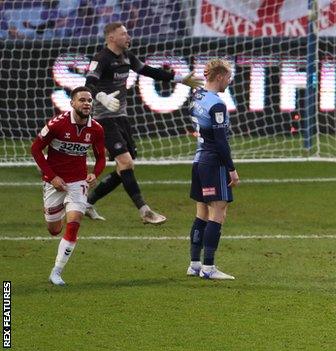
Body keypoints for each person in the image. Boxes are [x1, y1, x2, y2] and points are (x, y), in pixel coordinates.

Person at [83, 21, 202, 224]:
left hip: (121, 118)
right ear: (111, 37)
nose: (128, 37)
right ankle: (145, 211)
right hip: (103, 119)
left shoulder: (127, 56)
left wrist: (180, 78)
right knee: (126, 162)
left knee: (125, 169)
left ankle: (87, 203)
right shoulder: (101, 59)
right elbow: (89, 84)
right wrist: (101, 97)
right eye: (123, 34)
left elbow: (148, 71)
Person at [30, 86, 106, 286]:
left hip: (78, 182)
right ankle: (63, 209)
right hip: (54, 183)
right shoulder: (57, 124)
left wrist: (94, 174)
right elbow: (36, 149)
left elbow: (101, 159)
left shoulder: (96, 129)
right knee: (54, 230)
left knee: (74, 224)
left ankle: (56, 272)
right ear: (72, 103)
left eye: (89, 100)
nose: (87, 103)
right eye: (82, 100)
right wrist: (52, 176)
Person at [185, 59, 239, 280]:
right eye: (227, 77)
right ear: (219, 77)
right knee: (218, 212)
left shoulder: (197, 96)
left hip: (198, 161)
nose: (229, 81)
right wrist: (231, 169)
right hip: (213, 162)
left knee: (201, 214)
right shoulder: (217, 105)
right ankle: (209, 267)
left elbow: (196, 88)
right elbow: (220, 141)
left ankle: (194, 264)